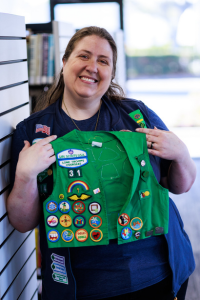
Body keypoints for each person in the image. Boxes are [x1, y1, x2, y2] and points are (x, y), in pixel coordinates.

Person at [7, 26, 196, 300]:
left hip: (157, 274)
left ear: (112, 72)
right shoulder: (35, 131)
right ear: (64, 62)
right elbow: (23, 222)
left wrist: (180, 152)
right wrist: (25, 175)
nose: (92, 67)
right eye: (84, 56)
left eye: (103, 61)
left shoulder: (136, 115)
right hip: (81, 287)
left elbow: (180, 184)